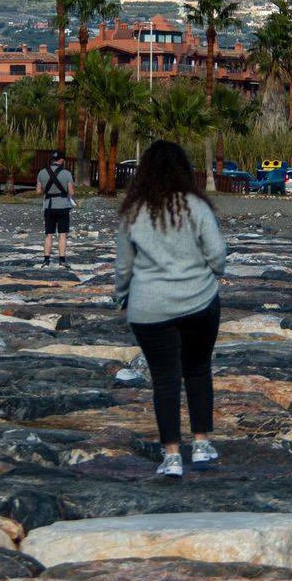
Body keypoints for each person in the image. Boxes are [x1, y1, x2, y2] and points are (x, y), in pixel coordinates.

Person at [114, 139, 227, 478]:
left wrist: (122, 296)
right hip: (199, 302)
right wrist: (210, 274)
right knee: (198, 370)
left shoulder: (133, 212)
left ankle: (172, 456)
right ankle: (202, 444)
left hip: (149, 308)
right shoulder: (197, 206)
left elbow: (124, 267)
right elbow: (217, 255)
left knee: (165, 380)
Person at [37, 149, 75, 266]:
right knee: (62, 234)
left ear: (52, 159)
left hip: (49, 206)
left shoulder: (42, 172)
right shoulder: (67, 173)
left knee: (49, 234)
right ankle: (62, 260)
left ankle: (46, 260)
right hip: (63, 206)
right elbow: (71, 192)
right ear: (62, 160)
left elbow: (38, 191)